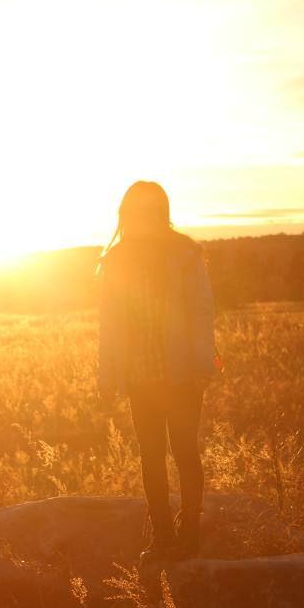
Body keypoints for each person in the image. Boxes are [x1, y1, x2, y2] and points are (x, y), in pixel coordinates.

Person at [98, 181, 216, 563]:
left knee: (184, 452)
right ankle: (163, 537)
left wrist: (203, 362)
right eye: (135, 211)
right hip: (139, 374)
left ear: (161, 213)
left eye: (150, 211)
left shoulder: (184, 254)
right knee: (151, 456)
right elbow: (111, 322)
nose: (141, 218)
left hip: (180, 372)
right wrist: (108, 372)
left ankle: (191, 534)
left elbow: (201, 311)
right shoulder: (117, 259)